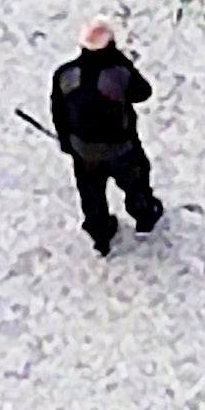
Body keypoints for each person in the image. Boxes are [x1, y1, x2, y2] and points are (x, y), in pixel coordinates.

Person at [50, 19, 165, 255]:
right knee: (135, 184)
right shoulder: (118, 74)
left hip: (83, 152)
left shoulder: (65, 75)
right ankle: (144, 215)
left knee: (91, 194)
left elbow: (59, 112)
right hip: (121, 148)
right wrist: (123, 61)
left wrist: (67, 143)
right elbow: (143, 92)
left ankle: (100, 233)